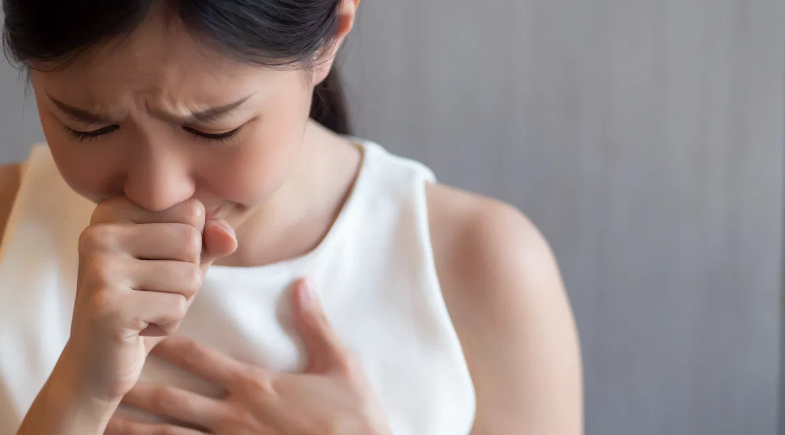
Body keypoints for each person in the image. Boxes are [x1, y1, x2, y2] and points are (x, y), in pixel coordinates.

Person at [0, 0, 583, 434]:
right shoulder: (9, 224)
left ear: (331, 34)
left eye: (213, 128)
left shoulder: (483, 264)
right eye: (91, 127)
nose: (157, 193)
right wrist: (76, 395)